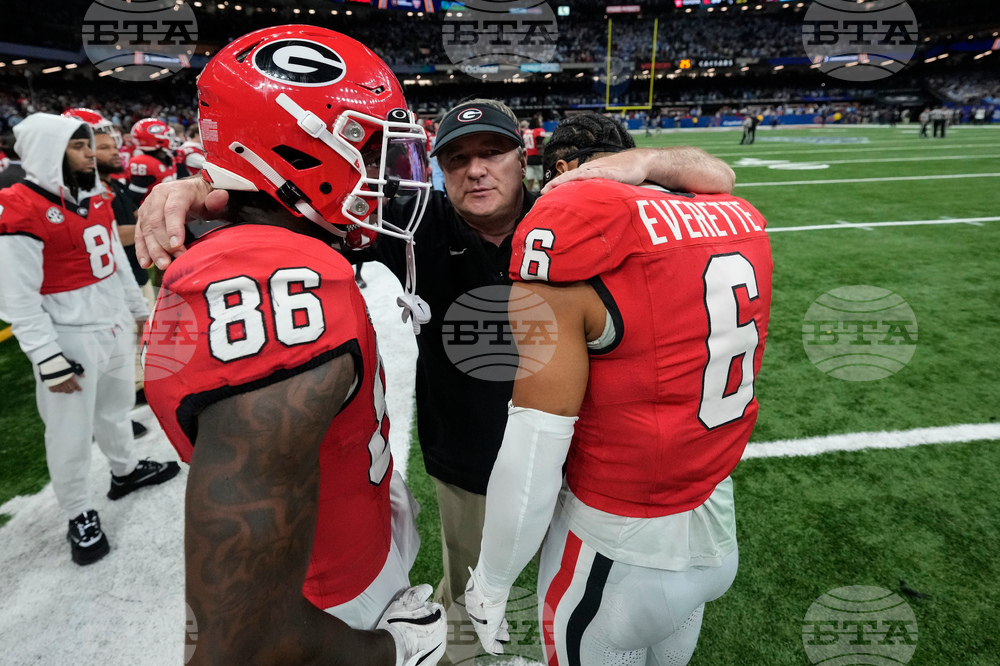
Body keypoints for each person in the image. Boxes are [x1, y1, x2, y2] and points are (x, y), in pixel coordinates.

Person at [132, 95, 737, 666]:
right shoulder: (414, 222)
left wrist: (652, 159)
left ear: (522, 157)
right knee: (468, 601)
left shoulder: (568, 214)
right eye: (457, 158)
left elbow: (713, 175)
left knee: (576, 592)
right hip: (469, 454)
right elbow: (295, 224)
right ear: (439, 169)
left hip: (578, 454)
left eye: (491, 153)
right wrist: (196, 189)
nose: (475, 171)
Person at [140, 26, 446, 665]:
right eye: (370, 145)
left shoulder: (286, 253)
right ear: (301, 147)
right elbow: (243, 643)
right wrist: (390, 650)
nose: (392, 173)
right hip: (330, 609)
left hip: (348, 554)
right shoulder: (274, 291)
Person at [464, 113, 773, 664]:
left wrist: (490, 582)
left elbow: (535, 448)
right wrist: (653, 161)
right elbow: (718, 173)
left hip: (616, 544)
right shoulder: (723, 216)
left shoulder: (569, 247)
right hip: (714, 524)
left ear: (560, 170)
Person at [0, 113, 180, 566]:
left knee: (116, 409)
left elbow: (117, 263)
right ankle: (78, 511)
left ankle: (123, 471)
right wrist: (48, 357)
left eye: (88, 144)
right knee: (70, 434)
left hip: (112, 322)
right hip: (70, 336)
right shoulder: (20, 205)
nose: (89, 152)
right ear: (48, 150)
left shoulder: (92, 195)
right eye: (78, 145)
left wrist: (138, 312)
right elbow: (16, 299)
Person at [63, 107, 153, 418]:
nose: (113, 150)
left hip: (131, 274)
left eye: (111, 144)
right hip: (106, 284)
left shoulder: (111, 182)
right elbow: (106, 235)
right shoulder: (77, 191)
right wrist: (152, 227)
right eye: (101, 146)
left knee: (141, 340)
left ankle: (136, 390)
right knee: (121, 352)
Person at [126, 117, 177, 205]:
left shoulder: (168, 157)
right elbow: (133, 201)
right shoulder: (142, 162)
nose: (170, 139)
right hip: (151, 211)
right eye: (167, 136)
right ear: (156, 140)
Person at [521, 118, 546, 191]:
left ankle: (528, 198)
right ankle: (541, 196)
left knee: (530, 181)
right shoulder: (538, 131)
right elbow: (540, 145)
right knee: (541, 180)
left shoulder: (525, 132)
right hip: (537, 158)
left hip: (528, 158)